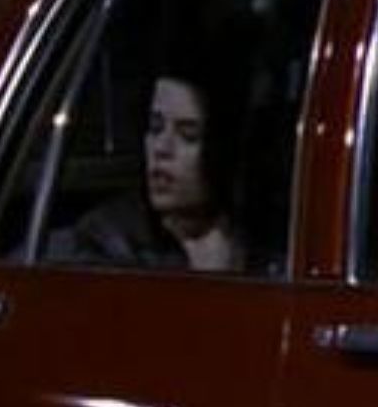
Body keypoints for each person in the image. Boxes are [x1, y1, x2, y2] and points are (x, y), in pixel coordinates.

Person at [47, 59, 249, 273]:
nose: (161, 148)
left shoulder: (254, 239)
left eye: (188, 135)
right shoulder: (105, 240)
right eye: (155, 128)